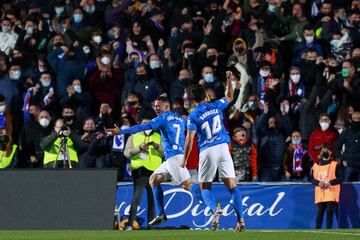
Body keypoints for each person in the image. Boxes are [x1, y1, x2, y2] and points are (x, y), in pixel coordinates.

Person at [107, 97, 202, 227]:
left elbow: (142, 126)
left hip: (174, 158)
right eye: (155, 106)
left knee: (187, 185)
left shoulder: (162, 119)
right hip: (168, 159)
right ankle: (161, 214)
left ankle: (213, 207)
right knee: (154, 180)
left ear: (166, 106)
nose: (156, 108)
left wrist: (122, 131)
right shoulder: (181, 119)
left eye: (159, 106)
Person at [183, 79, 245, 232]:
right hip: (223, 147)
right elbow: (230, 97)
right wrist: (229, 80)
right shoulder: (216, 105)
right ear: (205, 95)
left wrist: (184, 160)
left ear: (192, 99)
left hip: (207, 150)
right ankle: (241, 220)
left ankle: (214, 209)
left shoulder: (193, 116)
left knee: (205, 187)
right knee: (232, 186)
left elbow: (189, 140)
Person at [124, 111, 163, 230]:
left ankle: (150, 227)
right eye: (144, 123)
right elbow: (127, 153)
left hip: (154, 172)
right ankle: (130, 225)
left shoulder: (159, 136)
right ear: (140, 123)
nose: (147, 125)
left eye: (149, 123)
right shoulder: (133, 136)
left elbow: (165, 153)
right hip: (140, 171)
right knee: (137, 198)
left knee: (152, 201)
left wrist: (157, 147)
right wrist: (139, 148)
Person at [311, 143, 343, 229]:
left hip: (331, 191)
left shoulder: (335, 164)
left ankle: (328, 231)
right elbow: (311, 179)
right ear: (320, 152)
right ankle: (317, 231)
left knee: (329, 212)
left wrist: (330, 183)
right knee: (320, 212)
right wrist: (318, 183)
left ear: (330, 152)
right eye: (322, 150)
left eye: (326, 150)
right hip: (320, 193)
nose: (324, 151)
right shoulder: (316, 165)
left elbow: (340, 178)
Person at [335, 111, 360, 181]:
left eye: (359, 118)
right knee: (347, 188)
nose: (357, 120)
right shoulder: (346, 132)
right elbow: (337, 147)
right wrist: (342, 159)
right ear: (351, 119)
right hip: (348, 165)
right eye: (354, 118)